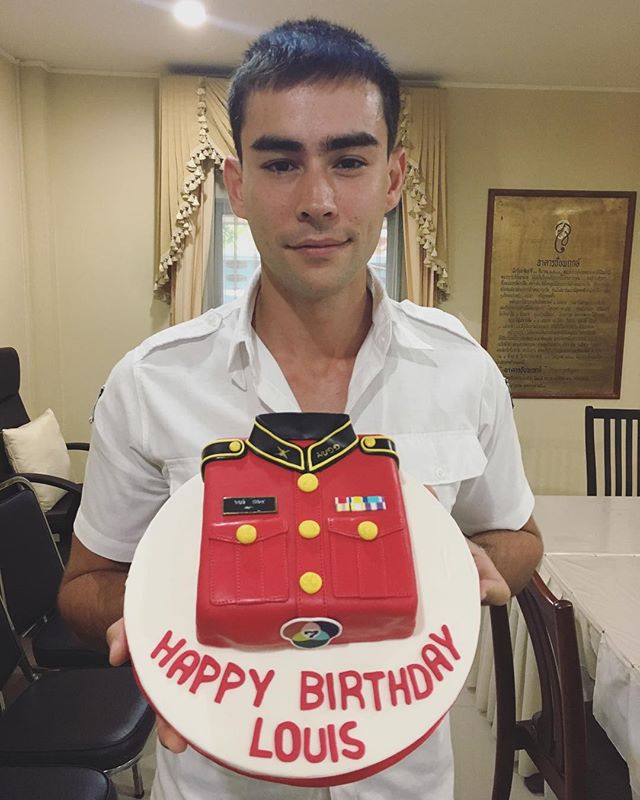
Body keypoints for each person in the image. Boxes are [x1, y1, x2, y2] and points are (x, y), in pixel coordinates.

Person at [59, 18, 542, 800]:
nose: (318, 201)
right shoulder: (150, 383)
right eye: (282, 163)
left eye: (349, 161)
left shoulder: (463, 371)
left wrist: (466, 568)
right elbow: (85, 586)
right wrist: (157, 609)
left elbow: (517, 535)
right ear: (237, 184)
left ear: (393, 178)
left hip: (405, 784)